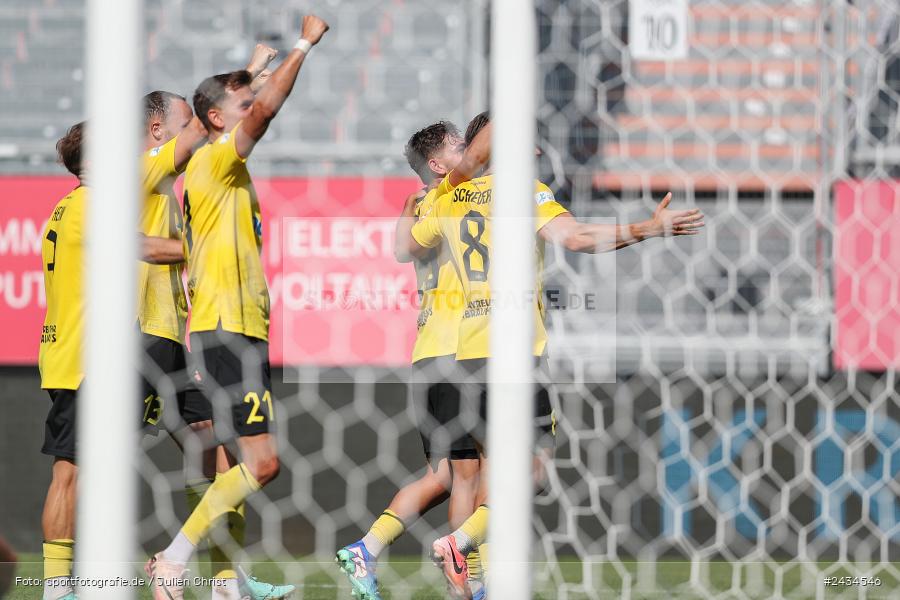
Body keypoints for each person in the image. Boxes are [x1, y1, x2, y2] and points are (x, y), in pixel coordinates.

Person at [400, 112, 705, 599]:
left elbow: (409, 246)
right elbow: (577, 238)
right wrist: (647, 228)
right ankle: (461, 544)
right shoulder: (524, 192)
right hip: (513, 352)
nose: (535, 151)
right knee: (532, 470)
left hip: (466, 351)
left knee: (478, 475)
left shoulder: (447, 197)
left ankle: (471, 578)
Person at [145, 15, 330, 600]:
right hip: (227, 327)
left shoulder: (214, 163)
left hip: (235, 326)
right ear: (217, 120)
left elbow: (243, 99)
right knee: (262, 464)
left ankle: (224, 582)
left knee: (234, 466)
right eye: (241, 106)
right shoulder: (216, 160)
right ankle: (173, 560)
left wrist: (254, 69)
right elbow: (262, 110)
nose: (252, 109)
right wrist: (303, 44)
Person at [335, 121, 480, 600]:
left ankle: (367, 548)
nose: (470, 150)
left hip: (429, 354)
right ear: (437, 165)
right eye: (459, 146)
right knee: (470, 475)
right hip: (456, 350)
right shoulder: (449, 197)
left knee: (443, 475)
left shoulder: (421, 204)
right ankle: (469, 579)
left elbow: (401, 250)